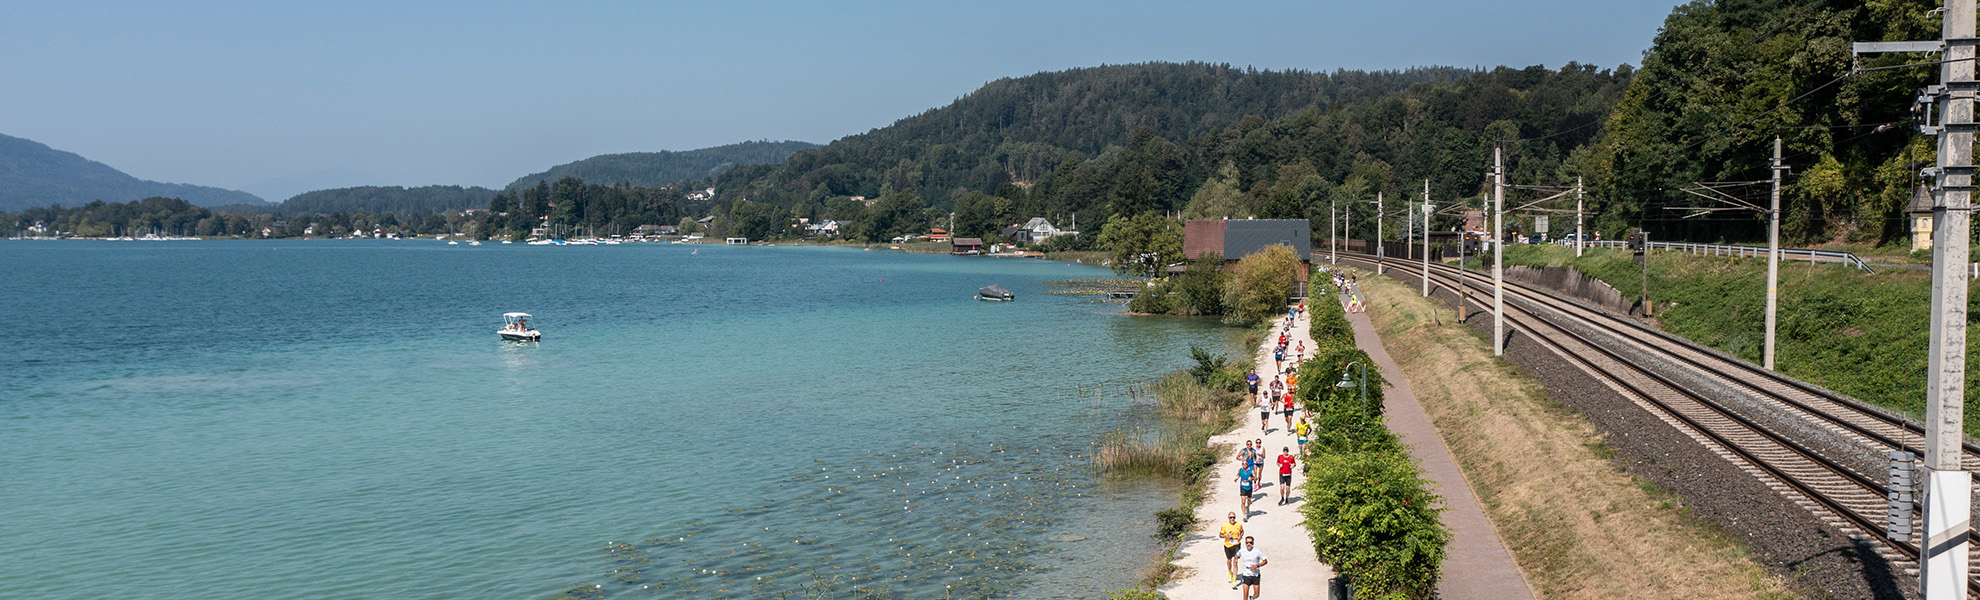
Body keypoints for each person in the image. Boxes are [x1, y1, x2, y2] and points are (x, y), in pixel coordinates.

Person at [1219, 513, 1245, 585]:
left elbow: (1242, 531)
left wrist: (1240, 536)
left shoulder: (1238, 525)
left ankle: (1234, 580)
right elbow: (1220, 535)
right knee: (1229, 560)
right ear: (1228, 518)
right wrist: (1226, 536)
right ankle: (1230, 572)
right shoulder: (1224, 526)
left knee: (1235, 561)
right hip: (1228, 545)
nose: (1232, 519)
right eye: (1230, 517)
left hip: (1236, 545)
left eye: (1233, 517)